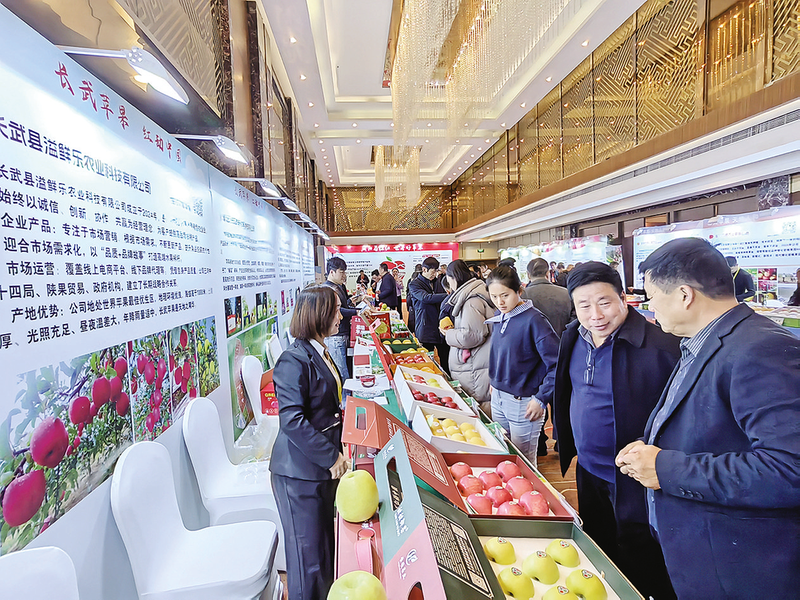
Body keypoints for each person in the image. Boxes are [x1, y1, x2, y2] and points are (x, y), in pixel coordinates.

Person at [616, 238, 800, 599]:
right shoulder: (702, 341)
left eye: (653, 297)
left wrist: (666, 468)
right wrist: (649, 447)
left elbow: (789, 467)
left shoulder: (760, 349)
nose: (651, 308)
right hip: (699, 549)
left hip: (741, 567)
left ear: (684, 295)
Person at [552, 262, 679, 599]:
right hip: (588, 469)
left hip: (635, 477)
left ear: (624, 298)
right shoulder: (573, 336)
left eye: (604, 302)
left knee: (640, 555)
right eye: (584, 305)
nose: (595, 315)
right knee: (598, 547)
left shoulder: (661, 346)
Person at [270, 285, 349, 600]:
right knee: (308, 560)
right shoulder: (293, 360)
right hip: (299, 473)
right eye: (335, 310)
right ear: (318, 315)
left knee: (323, 549)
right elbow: (292, 420)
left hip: (318, 468)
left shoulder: (320, 351)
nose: (341, 316)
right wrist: (331, 456)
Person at [485, 265, 559, 467]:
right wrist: (494, 380)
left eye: (505, 295)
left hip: (523, 403)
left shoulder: (534, 320)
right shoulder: (500, 316)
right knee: (504, 455)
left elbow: (557, 364)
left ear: (519, 290)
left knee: (523, 463)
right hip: (498, 397)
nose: (500, 302)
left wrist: (541, 398)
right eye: (494, 296)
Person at [439, 260, 495, 413]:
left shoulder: (471, 301)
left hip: (475, 366)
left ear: (453, 278)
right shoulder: (474, 293)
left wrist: (449, 334)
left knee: (481, 409)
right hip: (478, 363)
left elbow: (471, 336)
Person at [408, 256, 450, 377]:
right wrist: (449, 295)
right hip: (425, 327)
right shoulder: (414, 284)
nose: (434, 275)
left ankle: (449, 381)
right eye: (432, 272)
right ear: (424, 270)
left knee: (446, 359)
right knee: (426, 362)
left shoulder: (439, 282)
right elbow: (425, 298)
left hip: (441, 326)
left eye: (436, 272)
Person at [322, 256, 358, 380]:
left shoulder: (338, 286)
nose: (344, 275)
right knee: (341, 374)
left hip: (343, 333)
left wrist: (351, 302)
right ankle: (343, 394)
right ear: (332, 272)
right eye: (341, 272)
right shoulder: (327, 289)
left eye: (344, 272)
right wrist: (356, 312)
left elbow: (342, 306)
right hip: (335, 337)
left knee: (346, 370)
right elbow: (336, 310)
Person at [522, 258, 575, 336]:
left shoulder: (521, 296)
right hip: (562, 341)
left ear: (528, 275)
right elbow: (573, 323)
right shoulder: (566, 293)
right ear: (547, 273)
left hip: (532, 343)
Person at [406, 264, 423, 333]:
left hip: (413, 305)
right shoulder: (423, 280)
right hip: (420, 305)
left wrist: (408, 306)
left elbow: (408, 293)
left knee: (412, 324)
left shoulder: (411, 279)